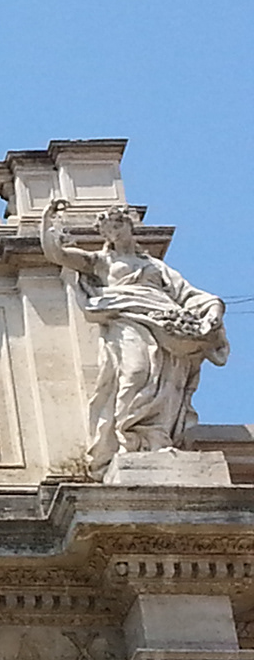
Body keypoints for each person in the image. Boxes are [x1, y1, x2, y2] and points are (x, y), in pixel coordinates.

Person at [40, 199, 228, 469]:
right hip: (127, 320)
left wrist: (213, 309)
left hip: (165, 324)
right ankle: (130, 439)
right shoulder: (100, 261)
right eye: (107, 229)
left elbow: (188, 294)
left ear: (128, 226)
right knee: (136, 373)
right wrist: (48, 221)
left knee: (164, 382)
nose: (113, 232)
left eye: (117, 225)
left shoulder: (155, 266)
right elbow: (57, 254)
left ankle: (156, 439)